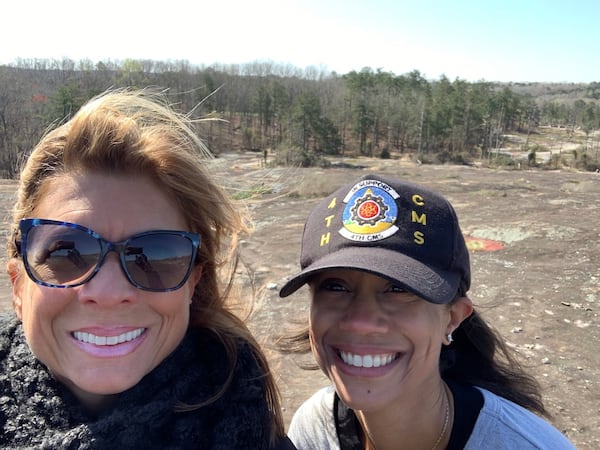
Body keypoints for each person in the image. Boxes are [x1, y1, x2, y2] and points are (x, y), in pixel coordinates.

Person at [1, 89, 295, 449]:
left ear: (192, 284)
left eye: (154, 256)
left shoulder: (256, 435)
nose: (109, 293)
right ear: (18, 285)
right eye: (67, 253)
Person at [278, 174, 575, 449]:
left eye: (398, 289)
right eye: (335, 287)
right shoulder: (313, 430)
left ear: (453, 318)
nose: (361, 322)